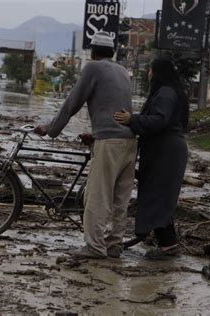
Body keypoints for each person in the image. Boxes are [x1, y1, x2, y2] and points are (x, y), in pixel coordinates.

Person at [35, 31, 136, 259]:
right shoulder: (122, 71)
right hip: (129, 141)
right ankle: (114, 245)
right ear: (113, 52)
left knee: (97, 195)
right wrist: (95, 133)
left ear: (92, 51)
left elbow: (73, 102)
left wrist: (50, 129)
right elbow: (113, 106)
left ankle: (94, 247)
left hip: (109, 143)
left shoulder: (93, 68)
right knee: (120, 198)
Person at [114, 57, 189, 259]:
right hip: (164, 151)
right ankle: (168, 245)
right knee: (160, 198)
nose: (149, 74)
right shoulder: (171, 92)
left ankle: (169, 247)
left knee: (159, 198)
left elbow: (159, 120)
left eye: (150, 70)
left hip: (166, 153)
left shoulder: (165, 93)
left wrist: (132, 120)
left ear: (157, 73)